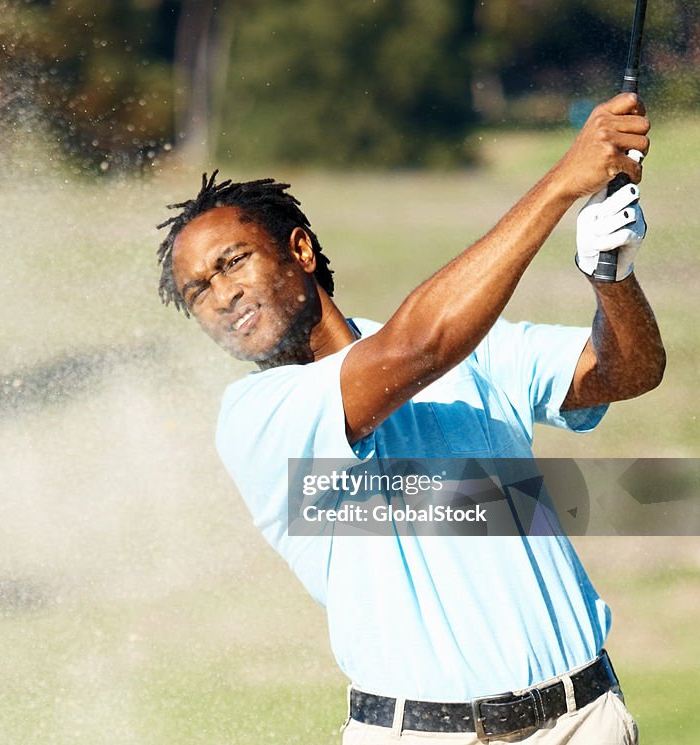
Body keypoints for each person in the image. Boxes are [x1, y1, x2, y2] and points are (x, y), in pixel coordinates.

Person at [154, 92, 664, 744]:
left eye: (233, 261)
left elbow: (628, 371)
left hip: (584, 720)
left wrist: (612, 276)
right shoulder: (256, 417)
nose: (222, 295)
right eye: (198, 290)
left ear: (300, 251)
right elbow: (415, 348)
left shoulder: (473, 345)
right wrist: (564, 181)